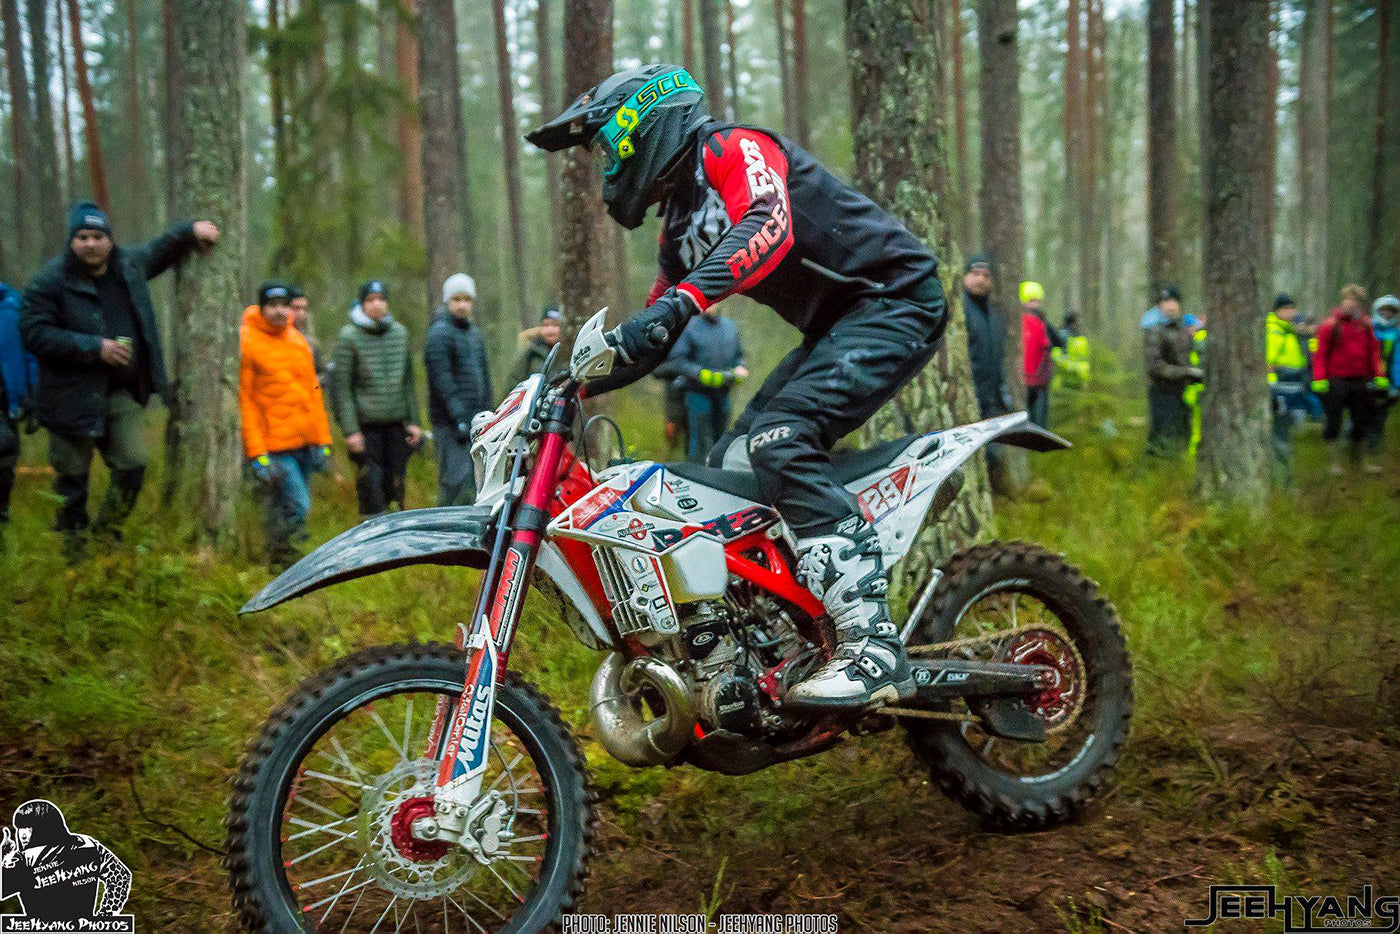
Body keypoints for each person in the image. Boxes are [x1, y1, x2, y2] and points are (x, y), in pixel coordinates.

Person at [528, 64, 947, 709]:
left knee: (780, 439)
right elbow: (658, 331)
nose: (606, 167)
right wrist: (567, 385)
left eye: (607, 148)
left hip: (895, 301)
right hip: (837, 328)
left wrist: (683, 302)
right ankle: (783, 637)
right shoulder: (679, 228)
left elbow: (769, 223)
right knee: (731, 463)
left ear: (643, 123)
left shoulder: (732, 148)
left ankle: (873, 649)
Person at [19, 201, 218, 548]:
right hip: (68, 398)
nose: (91, 244)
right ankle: (73, 549)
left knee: (133, 463)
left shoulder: (128, 265)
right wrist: (94, 347)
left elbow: (159, 250)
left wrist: (189, 231)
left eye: (98, 236)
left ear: (109, 240)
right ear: (71, 241)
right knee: (72, 479)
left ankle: (106, 534)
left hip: (120, 393)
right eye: (82, 237)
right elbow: (34, 333)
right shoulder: (49, 282)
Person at [239, 281, 333, 566]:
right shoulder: (247, 342)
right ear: (261, 308)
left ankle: (284, 562)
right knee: (298, 505)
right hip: (274, 448)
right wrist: (257, 454)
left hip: (305, 444)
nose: (279, 311)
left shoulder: (298, 341)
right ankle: (288, 560)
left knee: (287, 507)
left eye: (284, 306)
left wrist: (323, 442)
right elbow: (246, 402)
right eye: (272, 306)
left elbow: (313, 394)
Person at [331, 279, 422, 515]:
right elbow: (343, 388)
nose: (377, 305)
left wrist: (414, 421)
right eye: (371, 300)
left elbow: (408, 383)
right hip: (366, 426)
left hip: (396, 425)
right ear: (362, 304)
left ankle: (397, 529)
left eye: (381, 299)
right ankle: (371, 527)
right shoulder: (349, 337)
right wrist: (351, 431)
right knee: (370, 486)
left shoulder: (399, 334)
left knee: (396, 484)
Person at [425, 273, 493, 506]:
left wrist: (488, 412)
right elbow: (441, 380)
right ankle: (443, 523)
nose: (462, 305)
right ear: (447, 301)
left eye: (466, 299)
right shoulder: (439, 334)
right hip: (450, 425)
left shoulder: (474, 334)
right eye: (457, 299)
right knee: (455, 481)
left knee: (476, 482)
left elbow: (484, 376)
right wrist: (459, 418)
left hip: (476, 421)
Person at [1312, 284, 1384, 475]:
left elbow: (1374, 352)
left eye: (1355, 300)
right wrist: (1319, 378)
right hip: (1336, 380)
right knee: (1334, 420)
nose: (1350, 303)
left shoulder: (1366, 325)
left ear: (1360, 303)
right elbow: (1320, 354)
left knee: (1362, 420)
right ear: (1342, 300)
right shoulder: (1330, 325)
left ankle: (1362, 462)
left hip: (1360, 380)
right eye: (1347, 299)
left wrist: (1378, 375)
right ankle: (1334, 463)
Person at [661, 305, 748, 462]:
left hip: (723, 393)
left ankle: (717, 471)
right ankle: (696, 471)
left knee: (721, 439)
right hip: (697, 393)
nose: (711, 304)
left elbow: (739, 355)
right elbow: (677, 360)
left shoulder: (729, 326)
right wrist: (699, 373)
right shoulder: (689, 327)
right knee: (699, 441)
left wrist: (739, 367)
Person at [1142, 286, 1200, 456]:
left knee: (1183, 436)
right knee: (1162, 438)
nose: (1169, 306)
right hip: (1162, 393)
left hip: (1183, 393)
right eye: (1165, 302)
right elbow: (1155, 366)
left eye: (1172, 301)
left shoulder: (1185, 330)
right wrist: (1186, 372)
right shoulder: (1155, 331)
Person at [0, 282, 35, 525]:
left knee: (5, 453)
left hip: (7, 400)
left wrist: (34, 392)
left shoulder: (12, 305)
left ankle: (2, 514)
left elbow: (30, 354)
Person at [1266, 294, 1310, 474]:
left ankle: (1288, 466)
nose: (1292, 312)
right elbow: (1269, 361)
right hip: (1279, 388)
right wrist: (1272, 386)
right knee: (1280, 430)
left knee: (1292, 429)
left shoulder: (1289, 330)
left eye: (1293, 308)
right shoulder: (1274, 330)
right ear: (1278, 311)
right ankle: (1280, 468)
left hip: (1293, 387)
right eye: (1287, 308)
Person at [963, 254, 1007, 420]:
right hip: (967, 400)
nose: (980, 280)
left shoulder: (994, 317)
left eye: (986, 275)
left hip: (991, 403)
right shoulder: (959, 312)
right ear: (965, 276)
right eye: (975, 273)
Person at [1019, 280, 1063, 429]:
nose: (1035, 304)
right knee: (1037, 421)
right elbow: (1058, 342)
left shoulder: (1016, 321)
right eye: (1032, 300)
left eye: (1036, 301)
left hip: (1028, 380)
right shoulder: (1041, 322)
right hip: (1037, 381)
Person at [1371, 294, 1400, 448]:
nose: (1387, 313)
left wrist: (1396, 384)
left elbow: (1397, 360)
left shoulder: (1396, 333)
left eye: (1391, 311)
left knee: (1381, 410)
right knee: (1361, 409)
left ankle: (1375, 443)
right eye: (1384, 310)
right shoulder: (1367, 328)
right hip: (1367, 376)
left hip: (1387, 379)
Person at [509, 307, 563, 387]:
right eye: (546, 325)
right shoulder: (531, 352)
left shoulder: (569, 353)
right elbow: (513, 381)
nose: (550, 330)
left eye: (555, 325)